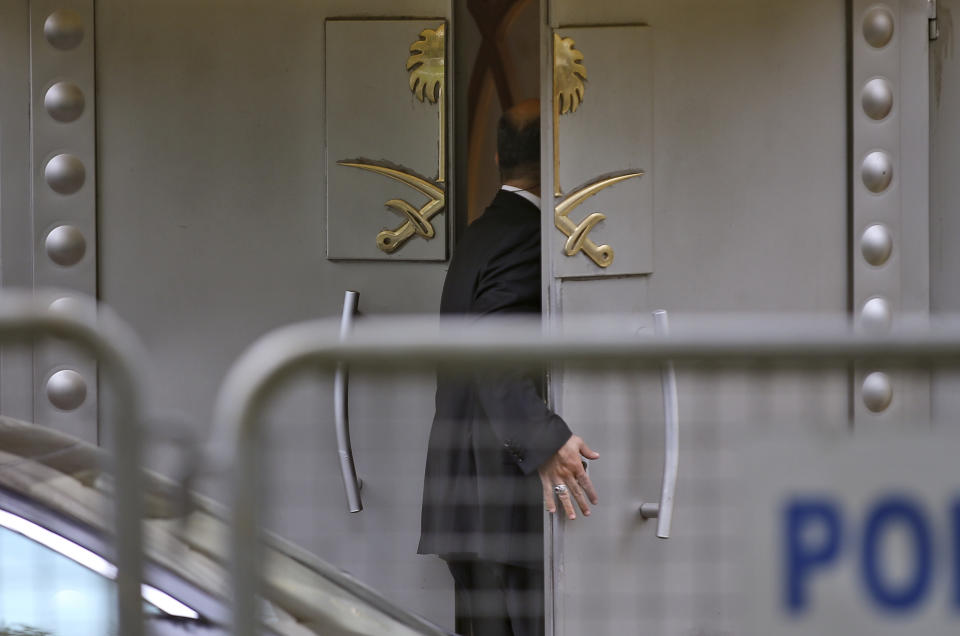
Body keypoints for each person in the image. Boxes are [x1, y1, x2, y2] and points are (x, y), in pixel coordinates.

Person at [418, 99, 600, 636]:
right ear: (560, 160)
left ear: (499, 154)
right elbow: (488, 344)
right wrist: (543, 440)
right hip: (499, 504)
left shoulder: (480, 232)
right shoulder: (529, 237)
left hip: (467, 501)